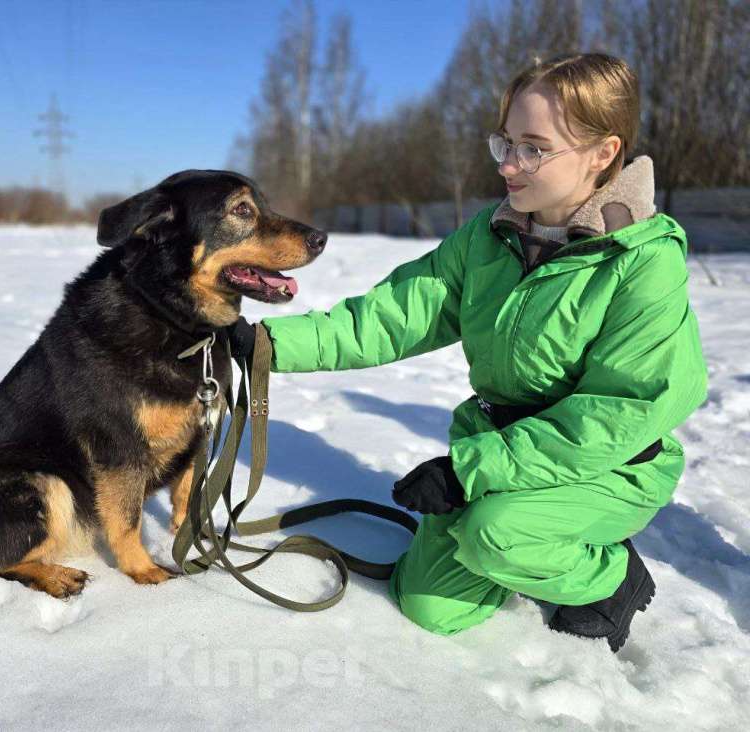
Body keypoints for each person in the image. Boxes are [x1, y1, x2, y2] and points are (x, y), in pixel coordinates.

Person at [226, 53, 708, 652]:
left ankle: (609, 578)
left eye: (534, 148)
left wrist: (467, 472)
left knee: (496, 536)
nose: (508, 163)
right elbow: (393, 315)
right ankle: (530, 537)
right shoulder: (489, 236)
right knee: (428, 606)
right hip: (502, 452)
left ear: (603, 154)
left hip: (608, 467)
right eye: (504, 142)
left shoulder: (643, 264)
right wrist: (269, 344)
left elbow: (617, 414)